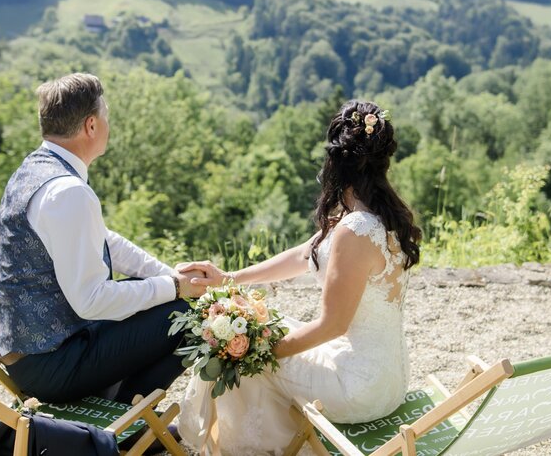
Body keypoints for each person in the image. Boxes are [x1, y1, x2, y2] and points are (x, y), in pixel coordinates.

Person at [176, 100, 422, 455]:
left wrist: (263, 353)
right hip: (390, 379)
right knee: (264, 330)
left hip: (358, 387)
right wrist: (228, 279)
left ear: (335, 161)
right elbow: (301, 255)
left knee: (244, 354)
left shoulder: (356, 229)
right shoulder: (383, 216)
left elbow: (331, 326)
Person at [0, 72, 215, 407]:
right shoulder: (68, 192)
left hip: (33, 353)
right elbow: (91, 301)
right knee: (189, 313)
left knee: (165, 296)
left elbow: (105, 242)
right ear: (91, 126)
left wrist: (169, 276)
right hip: (51, 366)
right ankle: (124, 422)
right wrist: (176, 289)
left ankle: (121, 406)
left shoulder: (35, 169)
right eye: (106, 116)